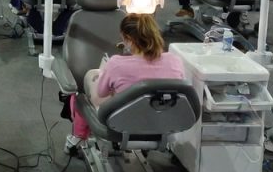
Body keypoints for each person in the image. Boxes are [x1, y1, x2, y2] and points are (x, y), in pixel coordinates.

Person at [67, 14, 185, 153]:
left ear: (128, 39)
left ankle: (78, 136)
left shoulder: (116, 64)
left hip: (121, 125)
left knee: (82, 94)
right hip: (161, 124)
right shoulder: (174, 61)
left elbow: (100, 94)